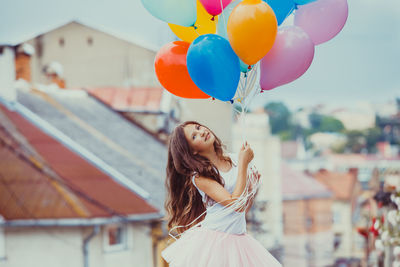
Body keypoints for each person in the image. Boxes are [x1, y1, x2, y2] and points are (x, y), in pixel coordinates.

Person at [162, 121, 282, 267]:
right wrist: (243, 164)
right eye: (194, 136)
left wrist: (251, 189)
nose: (201, 132)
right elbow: (234, 204)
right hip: (215, 242)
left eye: (198, 127)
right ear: (192, 151)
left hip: (239, 238)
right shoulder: (199, 177)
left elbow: (242, 209)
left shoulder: (234, 159)